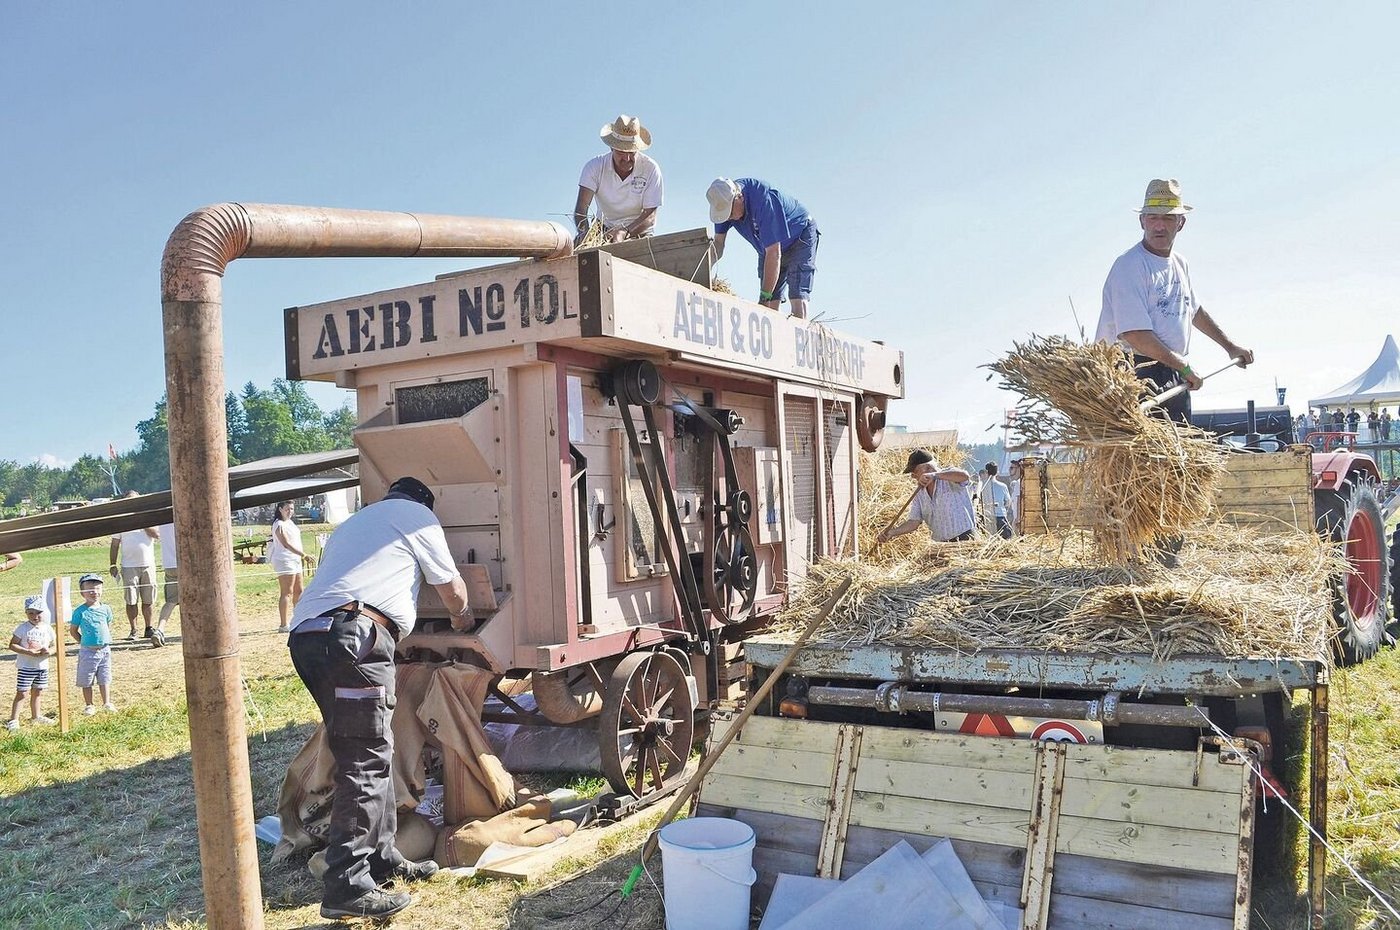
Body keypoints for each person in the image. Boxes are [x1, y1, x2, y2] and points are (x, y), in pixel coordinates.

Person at [287, 477, 472, 920]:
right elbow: (452, 589)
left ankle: (381, 854)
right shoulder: (419, 517)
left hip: (310, 637)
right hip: (355, 637)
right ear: (424, 503)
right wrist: (463, 620)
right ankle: (347, 887)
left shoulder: (355, 522)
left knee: (370, 750)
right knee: (366, 761)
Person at [1094, 179, 1254, 423]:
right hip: (1132, 375)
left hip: (1171, 370)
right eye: (1153, 217)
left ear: (1181, 223)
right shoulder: (1129, 266)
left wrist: (1230, 346)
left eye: (1168, 218)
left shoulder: (1180, 263)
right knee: (1146, 459)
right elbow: (1135, 334)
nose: (1159, 226)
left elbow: (1193, 310)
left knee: (1177, 453)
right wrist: (1185, 368)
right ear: (1141, 221)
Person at [707, 177, 820, 320]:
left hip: (799, 236)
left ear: (739, 197)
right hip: (767, 247)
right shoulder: (722, 203)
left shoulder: (762, 199)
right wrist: (702, 271)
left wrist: (765, 296)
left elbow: (774, 253)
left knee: (796, 296)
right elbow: (718, 244)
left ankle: (801, 338)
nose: (729, 218)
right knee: (770, 305)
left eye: (730, 213)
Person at [572, 114, 663, 245]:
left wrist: (625, 232)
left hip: (638, 231)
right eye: (621, 152)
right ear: (611, 147)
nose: (626, 158)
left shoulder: (650, 168)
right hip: (602, 230)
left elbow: (650, 216)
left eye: (631, 152)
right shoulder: (594, 167)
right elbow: (581, 209)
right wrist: (584, 234)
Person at [878, 450, 977, 544]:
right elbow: (914, 522)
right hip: (941, 546)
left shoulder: (949, 476)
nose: (913, 476)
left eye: (915, 471)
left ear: (928, 468)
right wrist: (892, 532)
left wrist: (934, 475)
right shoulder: (919, 494)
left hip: (966, 539)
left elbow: (964, 476)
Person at [109, 494, 160, 641]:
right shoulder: (121, 521)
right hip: (129, 566)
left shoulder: (148, 518)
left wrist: (141, 521)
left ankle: (149, 627)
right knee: (131, 600)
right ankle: (133, 629)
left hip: (148, 565)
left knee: (148, 599)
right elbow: (114, 544)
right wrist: (112, 564)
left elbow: (156, 534)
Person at [7, 595, 57, 730]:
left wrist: (49, 652)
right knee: (22, 692)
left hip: (42, 666)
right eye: (31, 613)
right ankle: (14, 719)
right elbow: (12, 645)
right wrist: (28, 652)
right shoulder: (23, 628)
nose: (35, 616)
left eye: (38, 613)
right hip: (26, 666)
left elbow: (55, 646)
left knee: (38, 691)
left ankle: (36, 716)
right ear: (26, 613)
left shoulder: (48, 628)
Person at [70, 573, 116, 715]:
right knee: (87, 678)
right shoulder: (80, 611)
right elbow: (73, 631)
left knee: (105, 677)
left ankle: (107, 702)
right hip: (87, 651)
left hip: (105, 650)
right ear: (82, 592)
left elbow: (107, 625)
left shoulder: (106, 609)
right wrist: (83, 642)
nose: (94, 592)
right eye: (89, 589)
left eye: (97, 588)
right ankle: (89, 704)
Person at [269, 501, 307, 634]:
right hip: (285, 560)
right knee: (287, 592)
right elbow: (286, 543)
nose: (290, 511)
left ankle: (299, 618)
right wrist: (303, 555)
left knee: (299, 590)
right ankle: (283, 624)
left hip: (295, 560)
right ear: (280, 509)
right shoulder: (278, 524)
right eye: (287, 509)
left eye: (291, 509)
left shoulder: (290, 523)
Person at [154, 522, 178, 646]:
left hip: (170, 564)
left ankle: (160, 630)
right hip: (188, 562)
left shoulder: (163, 519)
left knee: (171, 601)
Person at [977, 463, 1013, 539]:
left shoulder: (980, 486)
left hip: (985, 518)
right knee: (1005, 540)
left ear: (986, 472)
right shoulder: (1002, 486)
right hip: (1000, 517)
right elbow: (1008, 502)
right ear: (997, 472)